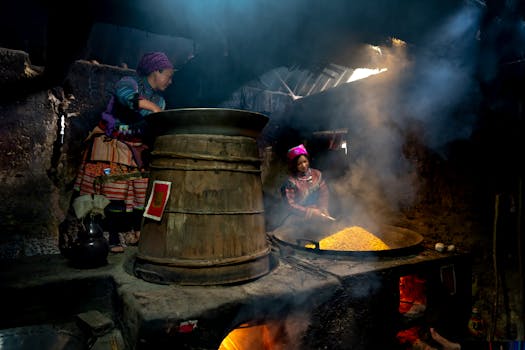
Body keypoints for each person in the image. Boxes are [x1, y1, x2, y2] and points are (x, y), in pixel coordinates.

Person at [73, 51, 175, 253]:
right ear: (156, 71)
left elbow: (149, 121)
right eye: (168, 76)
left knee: (143, 187)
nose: (170, 81)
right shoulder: (130, 82)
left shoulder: (160, 101)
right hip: (111, 141)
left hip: (135, 144)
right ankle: (109, 235)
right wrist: (153, 109)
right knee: (113, 188)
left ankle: (135, 230)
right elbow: (127, 98)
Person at [280, 144, 332, 224]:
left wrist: (323, 207)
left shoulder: (317, 174)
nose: (304, 165)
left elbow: (324, 193)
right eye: (299, 164)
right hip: (297, 218)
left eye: (305, 161)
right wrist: (308, 211)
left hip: (317, 215)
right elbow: (290, 205)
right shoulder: (290, 182)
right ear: (294, 165)